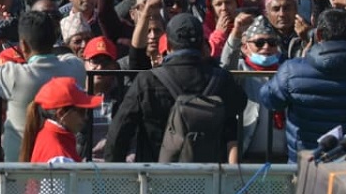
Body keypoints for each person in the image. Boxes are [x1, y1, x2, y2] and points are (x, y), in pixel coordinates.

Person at [105, 13, 247, 163]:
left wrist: (112, 176)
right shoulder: (221, 79)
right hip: (208, 177)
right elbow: (240, 103)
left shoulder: (148, 80)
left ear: (167, 45)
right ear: (202, 46)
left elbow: (120, 131)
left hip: (156, 175)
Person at [0, 10, 86, 162]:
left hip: (19, 172)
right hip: (61, 162)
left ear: (23, 45)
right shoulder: (76, 69)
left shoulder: (15, 76)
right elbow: (66, 55)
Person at [259, 8, 346, 162]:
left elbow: (270, 100)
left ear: (319, 34)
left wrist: (301, 60)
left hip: (305, 163)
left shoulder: (291, 69)